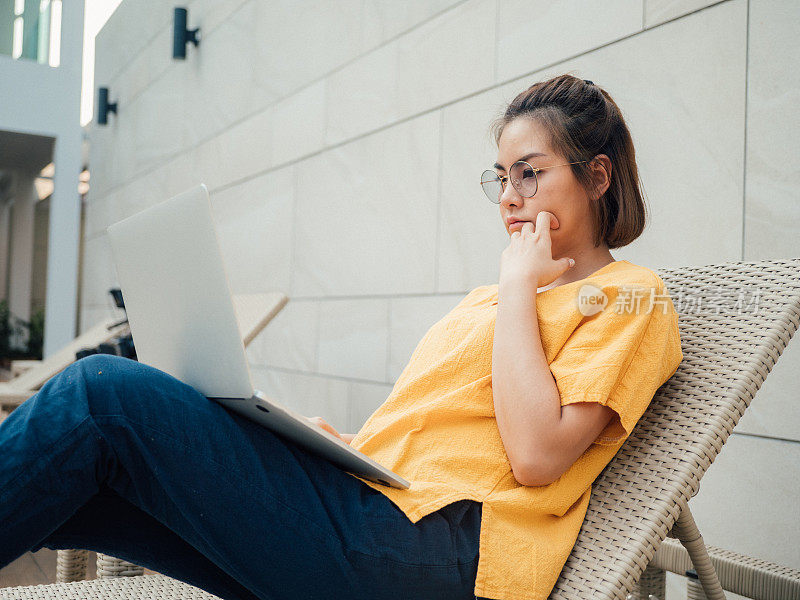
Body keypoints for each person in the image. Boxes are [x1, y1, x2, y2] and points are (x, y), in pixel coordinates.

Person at [0, 74, 682, 600]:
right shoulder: (493, 300)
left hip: (447, 553)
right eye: (500, 177)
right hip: (374, 509)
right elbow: (442, 435)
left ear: (597, 175)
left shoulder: (629, 297)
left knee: (103, 393)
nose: (508, 197)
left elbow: (534, 456)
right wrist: (329, 440)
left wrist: (515, 291)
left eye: (529, 173)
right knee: (96, 477)